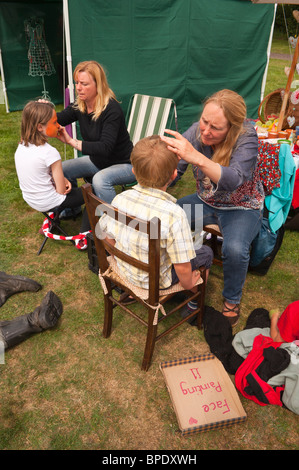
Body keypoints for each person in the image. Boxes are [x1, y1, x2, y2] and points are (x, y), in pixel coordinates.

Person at [161, 89, 265, 326]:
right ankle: (175, 278)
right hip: (206, 201)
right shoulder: (199, 130)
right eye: (204, 121)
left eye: (215, 128)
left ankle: (231, 300)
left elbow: (232, 180)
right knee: (164, 223)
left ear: (232, 127)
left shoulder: (247, 136)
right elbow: (175, 164)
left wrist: (196, 156)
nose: (205, 130)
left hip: (241, 207)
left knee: (236, 250)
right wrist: (157, 182)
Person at [98, 135, 213, 317]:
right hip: (156, 281)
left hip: (124, 270)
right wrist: (189, 282)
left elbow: (104, 235)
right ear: (174, 175)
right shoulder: (174, 215)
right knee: (206, 253)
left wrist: (121, 257)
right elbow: (182, 268)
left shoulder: (120, 199)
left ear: (134, 171)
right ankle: (193, 300)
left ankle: (132, 290)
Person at [55, 60, 135, 208]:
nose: (78, 88)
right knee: (61, 170)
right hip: (98, 161)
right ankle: (72, 210)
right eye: (77, 83)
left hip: (124, 164)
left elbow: (105, 148)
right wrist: (44, 109)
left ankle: (111, 222)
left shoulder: (112, 109)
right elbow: (59, 118)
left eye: (84, 84)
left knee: (100, 179)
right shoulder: (81, 104)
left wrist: (72, 142)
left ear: (98, 85)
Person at [14, 100, 90, 249]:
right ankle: (84, 236)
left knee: (69, 187)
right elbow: (61, 191)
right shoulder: (50, 153)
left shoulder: (22, 145)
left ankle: (52, 220)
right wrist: (63, 182)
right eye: (54, 122)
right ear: (39, 127)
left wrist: (64, 179)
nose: (59, 126)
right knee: (93, 193)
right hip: (50, 201)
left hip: (31, 199)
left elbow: (41, 174)